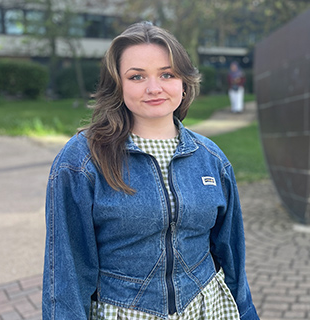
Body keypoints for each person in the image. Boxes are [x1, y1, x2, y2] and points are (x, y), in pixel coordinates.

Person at [42, 22, 259, 320]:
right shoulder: (82, 161)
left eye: (167, 74)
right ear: (118, 84)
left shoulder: (211, 158)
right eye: (137, 76)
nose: (154, 88)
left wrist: (247, 313)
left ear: (184, 82)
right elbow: (66, 271)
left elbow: (231, 255)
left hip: (207, 309)